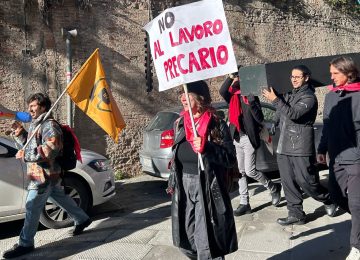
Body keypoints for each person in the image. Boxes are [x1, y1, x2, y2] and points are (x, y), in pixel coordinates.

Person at [3, 93, 92, 259]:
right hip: (46, 174)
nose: (29, 109)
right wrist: (20, 132)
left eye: (33, 106)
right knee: (60, 198)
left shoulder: (49, 125)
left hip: (43, 175)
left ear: (43, 107)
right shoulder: (38, 124)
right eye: (29, 106)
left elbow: (51, 148)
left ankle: (25, 243)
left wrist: (25, 154)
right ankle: (82, 219)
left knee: (31, 207)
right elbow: (32, 144)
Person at [167, 81, 238, 259]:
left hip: (207, 184)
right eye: (182, 94)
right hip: (184, 186)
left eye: (188, 94)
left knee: (207, 240)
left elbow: (230, 158)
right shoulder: (180, 123)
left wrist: (208, 148)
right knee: (186, 239)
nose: (183, 98)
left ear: (200, 97)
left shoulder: (216, 123)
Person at [262, 65, 336, 226]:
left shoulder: (309, 97)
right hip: (284, 144)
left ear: (306, 78)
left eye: (298, 77)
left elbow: (294, 114)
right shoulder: (289, 94)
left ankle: (328, 198)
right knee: (287, 181)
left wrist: (275, 99)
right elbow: (281, 111)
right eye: (292, 77)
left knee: (306, 181)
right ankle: (296, 214)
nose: (294, 80)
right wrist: (274, 121)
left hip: (300, 144)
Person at [219, 73, 282, 216]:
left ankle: (273, 187)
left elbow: (259, 118)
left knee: (250, 171)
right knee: (240, 172)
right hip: (237, 137)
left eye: (238, 78)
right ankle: (244, 203)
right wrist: (230, 76)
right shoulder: (232, 95)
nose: (235, 81)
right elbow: (222, 91)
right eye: (235, 78)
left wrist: (252, 101)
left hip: (248, 138)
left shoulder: (251, 97)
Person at [317, 57, 360, 260]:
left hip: (356, 158)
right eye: (331, 73)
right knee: (335, 195)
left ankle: (356, 246)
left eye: (335, 73)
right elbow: (326, 126)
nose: (331, 77)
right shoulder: (331, 96)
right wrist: (322, 148)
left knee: (356, 202)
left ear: (348, 73)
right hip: (336, 157)